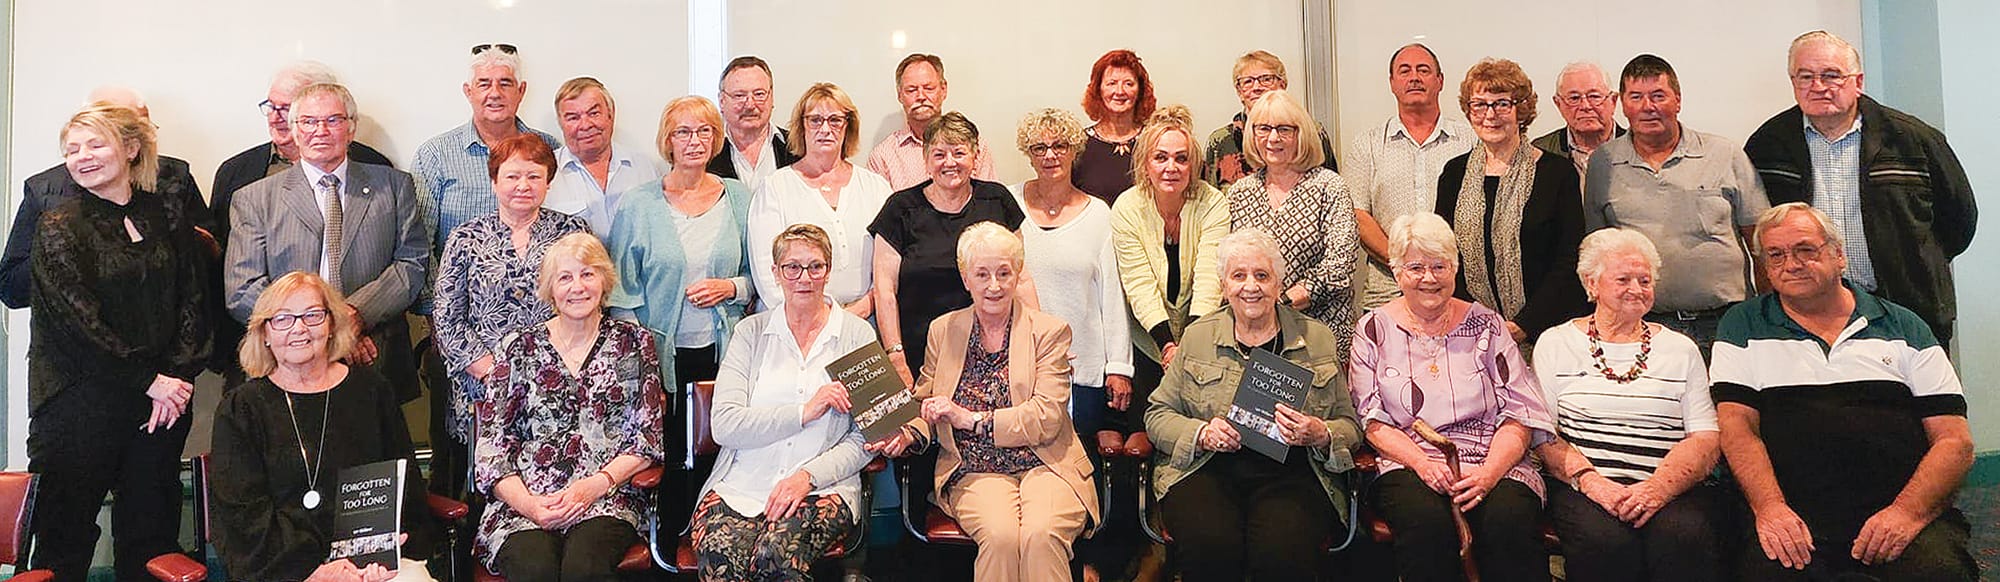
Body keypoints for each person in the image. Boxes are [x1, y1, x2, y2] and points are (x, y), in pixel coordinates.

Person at [1713, 203, 1976, 581]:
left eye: (1806, 249)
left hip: (1899, 508)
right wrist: (1771, 509)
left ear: (1839, 255)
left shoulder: (1904, 325)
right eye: (1776, 255)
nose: (1791, 263)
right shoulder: (1742, 326)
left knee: (1939, 572)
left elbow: (1955, 442)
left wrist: (1906, 513)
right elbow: (1738, 430)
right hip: (1794, 515)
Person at [26, 104, 211, 582]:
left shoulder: (166, 214)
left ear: (131, 149)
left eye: (95, 144)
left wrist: (177, 380)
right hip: (80, 406)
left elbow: (193, 299)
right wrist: (150, 381)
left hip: (163, 404)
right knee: (63, 541)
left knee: (151, 536)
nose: (81, 157)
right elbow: (77, 325)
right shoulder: (58, 226)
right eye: (71, 149)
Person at [866, 222, 1097, 582]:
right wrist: (908, 434)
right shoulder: (943, 330)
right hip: (974, 469)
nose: (994, 285)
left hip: (1047, 462)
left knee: (1041, 536)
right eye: (982, 274)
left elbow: (1047, 418)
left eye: (1004, 273)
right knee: (1002, 538)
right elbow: (927, 400)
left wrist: (970, 418)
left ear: (1017, 274)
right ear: (965, 278)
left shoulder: (1049, 331)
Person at [1347, 212, 1557, 582]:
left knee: (1509, 522)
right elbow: (1372, 420)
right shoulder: (1373, 330)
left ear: (1455, 270)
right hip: (1410, 463)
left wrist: (1489, 474)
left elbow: (1520, 413)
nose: (1429, 278)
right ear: (1396, 272)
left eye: (1439, 266)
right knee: (1426, 525)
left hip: (1492, 459)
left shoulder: (1488, 325)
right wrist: (1424, 465)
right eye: (1415, 267)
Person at [1145, 228, 1361, 581]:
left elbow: (1350, 425)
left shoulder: (1316, 338)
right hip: (1207, 469)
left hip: (1293, 474)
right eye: (1238, 275)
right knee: (1211, 547)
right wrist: (1201, 433)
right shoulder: (1198, 336)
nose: (1251, 286)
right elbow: (1157, 414)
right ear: (1224, 285)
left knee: (1282, 554)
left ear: (1278, 284)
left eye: (1262, 275)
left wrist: (1320, 433)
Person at [1743, 30, 1977, 346]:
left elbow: (1959, 221)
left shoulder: (1914, 139)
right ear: (1793, 82)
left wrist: (1915, 262)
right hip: (1806, 314)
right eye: (1805, 76)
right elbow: (1756, 225)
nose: (1819, 87)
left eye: (1832, 75)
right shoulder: (1767, 145)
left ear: (1858, 81)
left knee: (1920, 396)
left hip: (1907, 308)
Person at [212, 272, 441, 582]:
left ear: (332, 325)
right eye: (283, 319)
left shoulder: (372, 390)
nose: (299, 328)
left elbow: (402, 483)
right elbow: (244, 517)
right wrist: (315, 572)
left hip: (373, 562)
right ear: (264, 333)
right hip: (283, 570)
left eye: (312, 315)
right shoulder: (241, 409)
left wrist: (383, 550)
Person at [473, 232, 666, 581]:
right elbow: (491, 448)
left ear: (605, 281)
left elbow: (647, 439)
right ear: (549, 288)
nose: (577, 287)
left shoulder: (635, 342)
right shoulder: (518, 348)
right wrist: (531, 505)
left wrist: (594, 485)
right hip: (526, 501)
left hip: (605, 498)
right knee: (536, 570)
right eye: (565, 277)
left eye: (587, 274)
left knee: (583, 569)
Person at [1531, 228, 1721, 582]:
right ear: (1592, 284)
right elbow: (1544, 434)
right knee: (1605, 542)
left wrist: (1656, 489)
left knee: (1684, 537)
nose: (1636, 289)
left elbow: (1705, 436)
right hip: (1585, 485)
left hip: (1668, 485)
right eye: (1623, 279)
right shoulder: (1555, 343)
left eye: (1645, 280)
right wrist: (1596, 486)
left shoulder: (1681, 349)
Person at [224, 82, 429, 403]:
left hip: (375, 354)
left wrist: (354, 316)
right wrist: (316, 329)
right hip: (286, 364)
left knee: (377, 452)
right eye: (308, 121)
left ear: (351, 128)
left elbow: (411, 265)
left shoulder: (393, 186)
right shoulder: (254, 198)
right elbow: (241, 288)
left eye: (333, 120)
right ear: (293, 130)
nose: (320, 130)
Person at [691, 224, 876, 580]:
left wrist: (808, 477)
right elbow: (725, 424)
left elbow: (868, 436)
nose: (804, 277)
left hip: (822, 487)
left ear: (828, 270)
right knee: (721, 557)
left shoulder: (856, 334)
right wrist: (804, 413)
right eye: (792, 267)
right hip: (741, 483)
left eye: (815, 266)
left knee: (775, 555)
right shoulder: (750, 333)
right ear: (775, 273)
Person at [1009, 107, 1135, 582]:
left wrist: (1118, 365)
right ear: (1028, 152)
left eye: (1059, 146)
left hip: (1081, 369)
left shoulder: (1098, 214)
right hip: (1019, 368)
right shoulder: (1007, 206)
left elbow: (1112, 296)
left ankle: (1081, 563)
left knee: (1071, 474)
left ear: (1073, 150)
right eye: (1039, 147)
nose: (1049, 156)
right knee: (1024, 471)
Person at [1584, 54, 1771, 351]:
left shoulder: (1724, 154)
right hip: (1644, 326)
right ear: (1622, 104)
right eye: (1636, 97)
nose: (1648, 107)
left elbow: (1761, 242)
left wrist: (1767, 312)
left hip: (1727, 321)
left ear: (1678, 100)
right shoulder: (1603, 163)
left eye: (1658, 95)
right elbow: (1597, 251)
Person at [432, 134, 590, 453]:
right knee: (490, 480)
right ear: (494, 181)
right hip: (483, 383)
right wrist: (494, 371)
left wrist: (557, 370)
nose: (523, 185)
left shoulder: (572, 233)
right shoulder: (465, 238)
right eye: (512, 176)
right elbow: (447, 317)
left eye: (534, 176)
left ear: (548, 183)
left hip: (558, 380)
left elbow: (588, 305)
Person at [3, 87, 211, 310]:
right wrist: (66, 251)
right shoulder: (44, 191)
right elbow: (12, 289)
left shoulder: (175, 179)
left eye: (143, 126)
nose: (84, 156)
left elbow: (205, 272)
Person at [1434, 58, 1587, 345]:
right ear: (1469, 111)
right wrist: (1476, 320)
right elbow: (1444, 255)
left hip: (1546, 335)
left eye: (1502, 103)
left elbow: (1569, 260)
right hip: (1469, 333)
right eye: (1479, 104)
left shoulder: (1556, 172)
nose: (1490, 114)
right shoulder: (1454, 174)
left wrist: (1523, 325)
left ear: (1521, 110)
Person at [608, 95, 753, 395]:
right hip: (659, 357)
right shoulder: (638, 205)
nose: (695, 141)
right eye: (683, 132)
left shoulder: (739, 197)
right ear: (668, 140)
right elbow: (620, 294)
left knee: (719, 439)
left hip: (726, 351)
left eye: (705, 131)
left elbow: (763, 277)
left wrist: (731, 288)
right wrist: (641, 360)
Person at [869, 111, 1026, 387]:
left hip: (994, 352)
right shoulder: (900, 208)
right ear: (926, 160)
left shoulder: (997, 199)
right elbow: (884, 290)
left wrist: (1033, 341)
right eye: (939, 154)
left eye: (959, 153)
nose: (950, 163)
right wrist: (895, 355)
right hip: (918, 353)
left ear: (975, 157)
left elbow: (1021, 278)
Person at [1111, 105, 1230, 440]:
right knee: (1149, 432)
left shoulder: (1214, 203)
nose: (1170, 168)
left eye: (1181, 158)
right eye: (1160, 157)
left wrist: (1188, 344)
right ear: (1145, 163)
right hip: (1147, 343)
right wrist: (1167, 346)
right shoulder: (1127, 207)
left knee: (1204, 429)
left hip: (1204, 336)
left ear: (1194, 165)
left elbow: (1210, 277)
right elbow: (1138, 285)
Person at [1225, 89, 1360, 358]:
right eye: (1263, 129)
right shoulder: (1240, 192)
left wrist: (1283, 302)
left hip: (1319, 334)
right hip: (1256, 337)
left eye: (1284, 129)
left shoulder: (1329, 186)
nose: (1273, 138)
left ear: (1301, 135)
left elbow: (1341, 264)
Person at [1348, 44, 1477, 312]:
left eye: (1424, 70)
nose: (1414, 77)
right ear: (1392, 83)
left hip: (1460, 290)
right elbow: (1358, 215)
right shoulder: (1367, 144)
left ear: (1440, 81)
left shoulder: (1471, 141)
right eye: (1404, 71)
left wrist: (1440, 268)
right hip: (1386, 292)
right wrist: (1404, 264)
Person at [747, 83, 893, 315]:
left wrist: (862, 309)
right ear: (801, 126)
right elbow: (767, 273)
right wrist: (817, 319)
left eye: (835, 120)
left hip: (865, 322)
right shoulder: (775, 188)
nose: (825, 129)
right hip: (796, 326)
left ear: (848, 126)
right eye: (815, 120)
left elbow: (890, 265)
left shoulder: (876, 188)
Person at [412, 44, 563, 255]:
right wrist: (442, 288)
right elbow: (419, 242)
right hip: (459, 285)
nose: (495, 93)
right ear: (468, 91)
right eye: (484, 84)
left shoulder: (549, 148)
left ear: (521, 91)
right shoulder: (434, 155)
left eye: (505, 83)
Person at [547, 77, 669, 236]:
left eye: (594, 113)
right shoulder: (546, 174)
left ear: (611, 115)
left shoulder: (643, 167)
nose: (585, 125)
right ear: (561, 123)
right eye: (573, 118)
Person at [1203, 50, 1339, 188]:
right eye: (1248, 81)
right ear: (1239, 91)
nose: (1256, 87)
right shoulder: (1220, 142)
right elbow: (1208, 200)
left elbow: (1331, 186)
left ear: (1283, 85)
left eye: (1266, 79)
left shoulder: (1311, 132)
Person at [865, 54, 1000, 190]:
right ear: (899, 94)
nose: (921, 96)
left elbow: (991, 202)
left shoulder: (974, 145)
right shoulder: (883, 156)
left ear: (943, 89)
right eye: (911, 90)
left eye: (929, 88)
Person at [1070, 49, 1156, 203]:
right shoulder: (1077, 144)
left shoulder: (1155, 141)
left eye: (1129, 84)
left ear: (1140, 90)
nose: (1120, 91)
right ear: (1098, 89)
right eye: (1111, 83)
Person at [708, 55, 801, 192]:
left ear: (771, 97)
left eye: (759, 94)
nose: (750, 105)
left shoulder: (799, 147)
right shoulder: (705, 152)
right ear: (722, 101)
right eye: (739, 96)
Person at [1531, 62, 1626, 186]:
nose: (1585, 106)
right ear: (1558, 104)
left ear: (1613, 101)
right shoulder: (1540, 152)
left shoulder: (1637, 147)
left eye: (1594, 96)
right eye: (1574, 98)